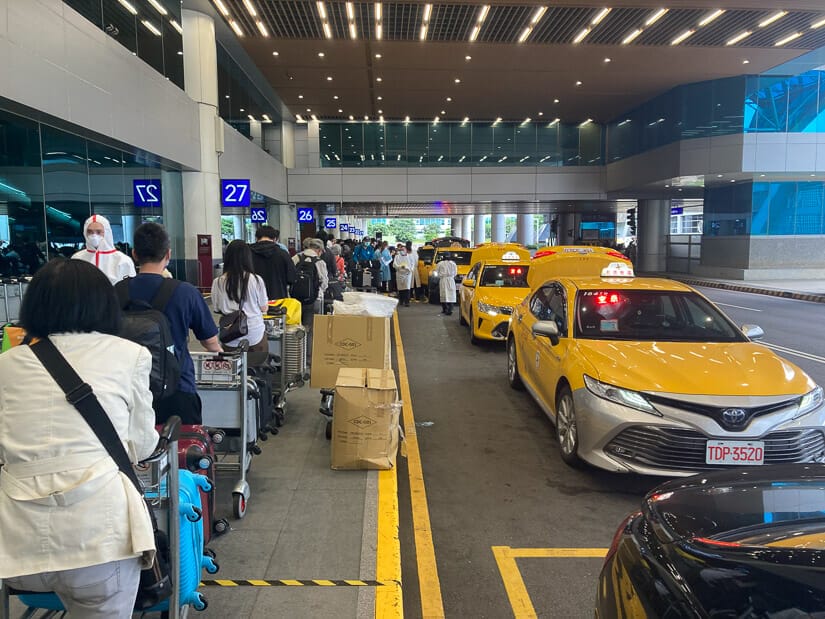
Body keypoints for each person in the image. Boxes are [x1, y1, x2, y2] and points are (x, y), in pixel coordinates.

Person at [0, 258, 157, 618]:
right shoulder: (130, 355)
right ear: (104, 304)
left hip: (19, 547)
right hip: (99, 540)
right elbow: (140, 445)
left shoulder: (6, 365)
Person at [121, 223, 222, 425]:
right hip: (177, 389)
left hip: (127, 391)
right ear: (168, 254)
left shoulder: (117, 290)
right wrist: (220, 352)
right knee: (185, 449)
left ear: (134, 254)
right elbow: (210, 342)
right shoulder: (185, 292)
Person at [211, 240, 269, 353]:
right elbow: (264, 308)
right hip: (254, 334)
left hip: (229, 335)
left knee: (233, 365)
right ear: (248, 258)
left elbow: (217, 309)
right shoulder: (256, 280)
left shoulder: (217, 282)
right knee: (257, 358)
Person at [292, 237, 328, 362]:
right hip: (313, 300)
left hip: (294, 301)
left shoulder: (296, 258)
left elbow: (289, 277)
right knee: (310, 329)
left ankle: (295, 356)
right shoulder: (319, 262)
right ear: (318, 250)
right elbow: (324, 282)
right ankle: (307, 358)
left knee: (294, 328)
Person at [71, 214, 136, 284]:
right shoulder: (77, 259)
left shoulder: (123, 260)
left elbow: (129, 289)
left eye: (98, 232)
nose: (94, 235)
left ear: (107, 232)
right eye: (90, 232)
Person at [249, 225, 295, 300]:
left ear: (256, 238)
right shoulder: (283, 254)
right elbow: (291, 278)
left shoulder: (248, 253)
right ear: (275, 239)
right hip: (278, 298)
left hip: (253, 300)